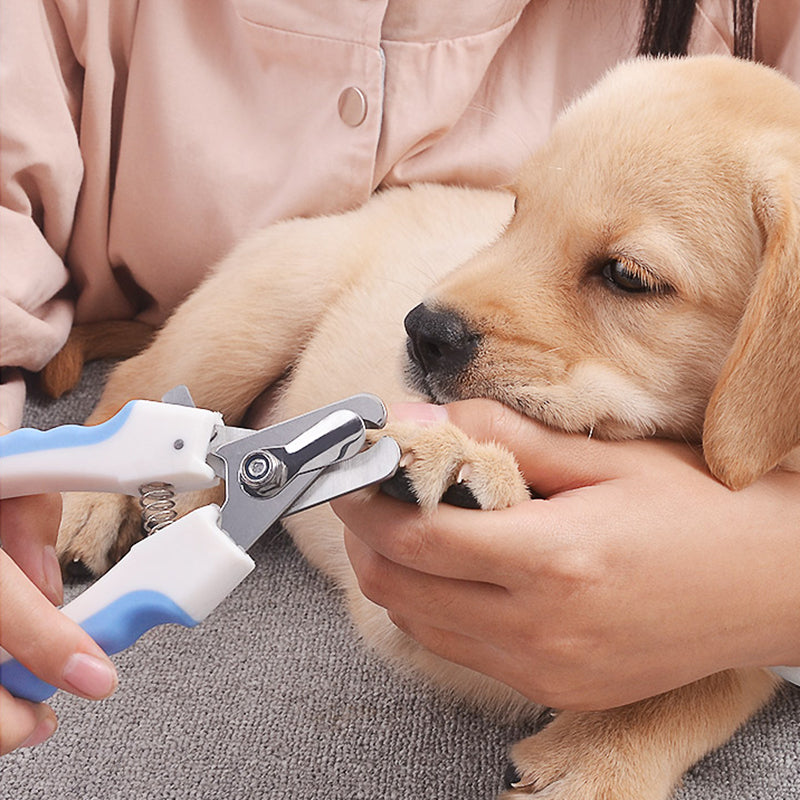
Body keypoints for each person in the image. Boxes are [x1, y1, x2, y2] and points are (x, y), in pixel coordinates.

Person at [1, 0, 798, 754]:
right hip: (344, 276)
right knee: (292, 274)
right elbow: (398, 607)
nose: (441, 313)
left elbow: (742, 651)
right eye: (518, 211)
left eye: (626, 276)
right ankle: (131, 430)